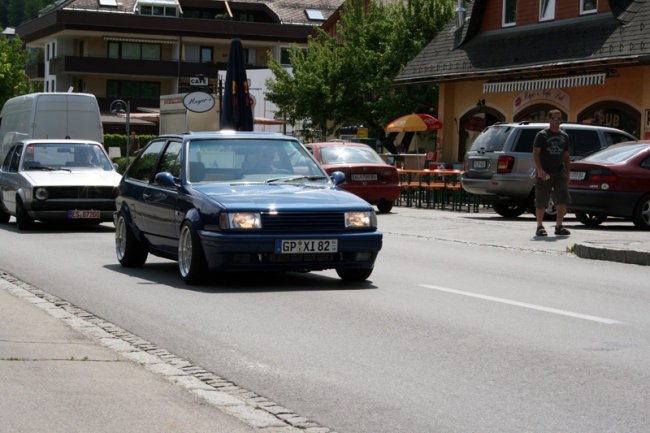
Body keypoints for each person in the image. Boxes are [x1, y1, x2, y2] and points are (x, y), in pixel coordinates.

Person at [532, 109, 571, 237]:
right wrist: (540, 170)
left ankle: (559, 226)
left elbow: (566, 156)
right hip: (545, 171)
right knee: (542, 199)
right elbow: (536, 154)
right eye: (555, 118)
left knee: (562, 199)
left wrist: (567, 173)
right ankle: (539, 226)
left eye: (559, 118)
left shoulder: (564, 136)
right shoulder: (542, 135)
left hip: (559, 171)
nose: (557, 121)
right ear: (549, 120)